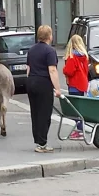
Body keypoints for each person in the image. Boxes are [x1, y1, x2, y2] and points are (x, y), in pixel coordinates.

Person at [26, 25, 61, 153]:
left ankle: (38, 140)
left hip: (31, 82)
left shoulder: (32, 49)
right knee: (44, 113)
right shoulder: (49, 51)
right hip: (43, 83)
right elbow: (52, 70)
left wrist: (29, 81)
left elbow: (28, 68)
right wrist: (57, 89)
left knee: (35, 113)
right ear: (50, 36)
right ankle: (42, 142)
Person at [63, 34, 89, 139]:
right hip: (83, 84)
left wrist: (63, 69)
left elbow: (69, 71)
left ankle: (80, 130)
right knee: (80, 108)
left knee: (74, 109)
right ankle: (80, 128)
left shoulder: (72, 57)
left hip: (74, 85)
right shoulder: (84, 56)